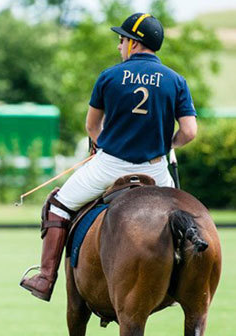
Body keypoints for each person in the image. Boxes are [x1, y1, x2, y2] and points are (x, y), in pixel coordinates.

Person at [20, 12, 198, 302]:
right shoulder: (176, 80)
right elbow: (189, 132)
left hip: (109, 166)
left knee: (58, 205)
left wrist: (105, 144)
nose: (119, 47)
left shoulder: (109, 76)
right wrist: (167, 144)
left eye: (121, 40)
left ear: (134, 43)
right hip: (156, 171)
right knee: (184, 223)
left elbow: (92, 126)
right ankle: (182, 285)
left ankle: (45, 277)